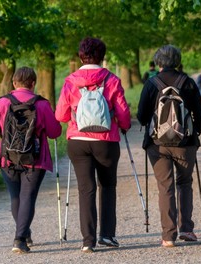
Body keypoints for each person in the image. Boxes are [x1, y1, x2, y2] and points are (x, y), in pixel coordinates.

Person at [55, 37, 131, 253]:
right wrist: (124, 125)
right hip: (106, 141)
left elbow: (60, 114)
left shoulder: (70, 81)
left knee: (85, 189)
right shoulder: (112, 79)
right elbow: (123, 114)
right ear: (102, 56)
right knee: (107, 186)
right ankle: (107, 235)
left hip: (78, 142)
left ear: (81, 56)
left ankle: (88, 240)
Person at [0, 67, 62, 254]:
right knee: (28, 197)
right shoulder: (42, 104)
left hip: (8, 158)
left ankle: (23, 232)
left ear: (13, 83)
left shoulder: (2, 103)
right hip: (35, 160)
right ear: (33, 83)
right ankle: (20, 239)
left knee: (16, 196)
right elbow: (54, 132)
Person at [137, 45, 201, 248]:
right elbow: (199, 113)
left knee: (165, 186)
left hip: (157, 145)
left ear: (158, 62)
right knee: (184, 183)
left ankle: (168, 236)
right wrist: (196, 132)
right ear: (177, 61)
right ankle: (187, 229)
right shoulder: (188, 82)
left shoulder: (151, 83)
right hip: (185, 143)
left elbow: (141, 117)